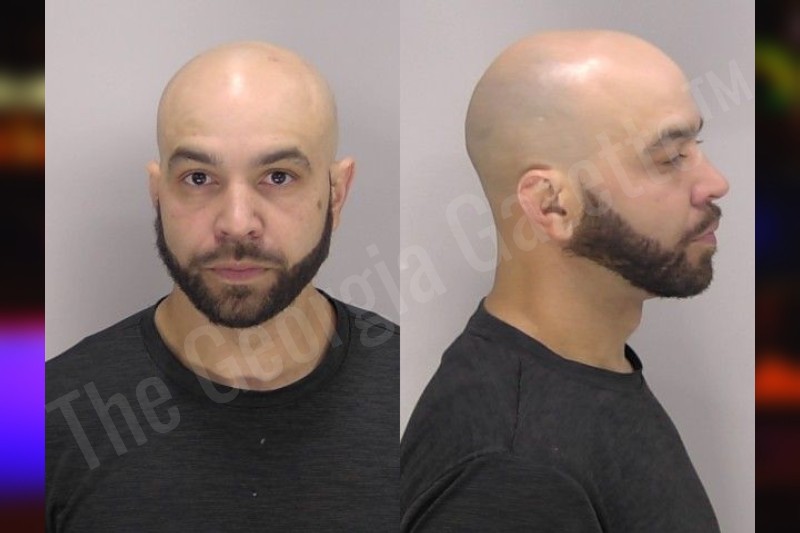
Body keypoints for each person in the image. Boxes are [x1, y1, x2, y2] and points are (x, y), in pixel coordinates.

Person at [46, 42, 398, 532]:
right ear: (157, 195)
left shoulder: (417, 405)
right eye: (198, 178)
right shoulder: (38, 422)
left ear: (336, 194)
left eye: (278, 176)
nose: (236, 223)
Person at [401, 30, 728, 532]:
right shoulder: (510, 475)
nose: (715, 183)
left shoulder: (593, 372)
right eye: (669, 159)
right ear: (552, 205)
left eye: (695, 146)